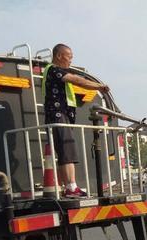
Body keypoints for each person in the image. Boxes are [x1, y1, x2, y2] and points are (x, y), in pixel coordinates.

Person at [43, 43, 109, 197]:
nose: (71, 60)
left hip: (61, 116)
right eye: (69, 57)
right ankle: (71, 187)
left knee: (65, 151)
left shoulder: (55, 72)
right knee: (67, 151)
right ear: (59, 56)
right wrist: (99, 86)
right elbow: (77, 80)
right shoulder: (54, 70)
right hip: (58, 116)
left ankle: (70, 187)